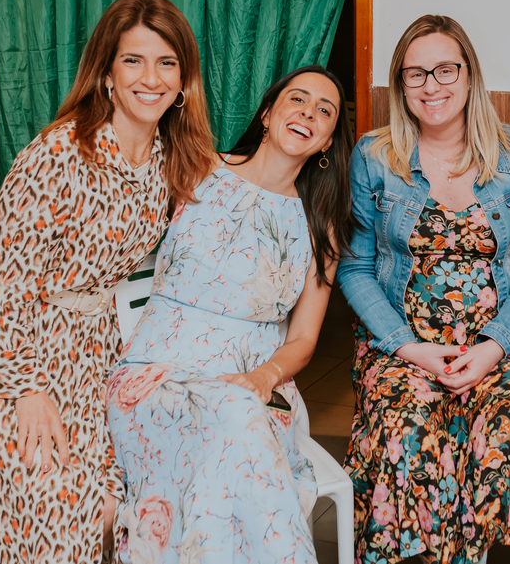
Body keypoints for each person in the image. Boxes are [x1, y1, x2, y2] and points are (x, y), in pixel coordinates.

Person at [0, 0, 218, 564]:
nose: (149, 78)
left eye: (166, 63)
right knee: (53, 495)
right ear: (107, 73)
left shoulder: (175, 158)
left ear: (185, 82)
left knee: (107, 500)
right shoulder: (59, 152)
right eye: (133, 60)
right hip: (1, 342)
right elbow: (7, 284)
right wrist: (28, 389)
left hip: (88, 346)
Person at [106, 65, 356, 564]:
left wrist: (264, 377)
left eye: (324, 110)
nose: (308, 112)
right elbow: (106, 203)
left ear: (327, 140)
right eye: (297, 100)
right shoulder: (196, 169)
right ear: (268, 113)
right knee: (233, 420)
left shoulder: (319, 227)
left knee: (237, 420)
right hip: (155, 375)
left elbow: (304, 338)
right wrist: (10, 206)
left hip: (255, 381)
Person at [338, 15, 510, 564]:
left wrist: (492, 347)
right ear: (400, 85)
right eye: (416, 74)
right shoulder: (374, 156)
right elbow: (354, 267)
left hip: (500, 342)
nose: (431, 85)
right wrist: (407, 347)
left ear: (469, 76)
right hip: (404, 343)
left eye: (444, 69)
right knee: (407, 421)